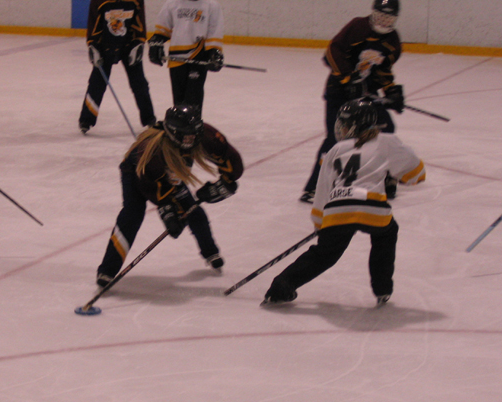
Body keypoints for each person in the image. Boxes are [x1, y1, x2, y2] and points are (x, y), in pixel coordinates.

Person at [264, 98, 425, 306]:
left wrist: (320, 224)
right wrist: (399, 176)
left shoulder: (335, 150)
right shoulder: (387, 141)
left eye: (345, 123)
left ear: (354, 126)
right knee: (386, 235)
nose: (341, 127)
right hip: (373, 208)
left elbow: (323, 190)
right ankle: (382, 289)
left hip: (337, 208)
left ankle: (281, 286)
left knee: (324, 254)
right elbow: (417, 174)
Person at [96, 105, 243, 287]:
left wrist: (227, 183)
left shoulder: (204, 136)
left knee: (194, 212)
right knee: (132, 214)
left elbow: (229, 157)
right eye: (186, 135)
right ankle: (107, 270)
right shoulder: (151, 149)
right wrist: (169, 213)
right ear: (173, 133)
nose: (191, 139)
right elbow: (151, 186)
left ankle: (210, 252)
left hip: (170, 172)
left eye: (194, 134)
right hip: (137, 172)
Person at [300, 0, 404, 204]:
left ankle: (386, 177)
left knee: (386, 129)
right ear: (373, 13)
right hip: (339, 92)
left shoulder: (393, 41)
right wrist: (347, 79)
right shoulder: (358, 27)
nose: (383, 21)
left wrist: (391, 91)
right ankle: (315, 187)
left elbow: (383, 69)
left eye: (388, 18)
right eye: (380, 15)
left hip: (366, 93)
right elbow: (331, 53)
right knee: (335, 138)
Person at [78, 0, 156, 133]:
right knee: (96, 84)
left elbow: (140, 23)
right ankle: (86, 119)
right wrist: (93, 45)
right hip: (105, 48)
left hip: (129, 46)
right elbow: (93, 24)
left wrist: (139, 44)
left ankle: (149, 118)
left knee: (139, 83)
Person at [147, 0, 225, 111]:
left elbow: (214, 30)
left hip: (198, 56)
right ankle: (179, 126)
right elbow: (163, 28)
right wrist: (156, 43)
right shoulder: (172, 3)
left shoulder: (211, 5)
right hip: (176, 57)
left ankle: (192, 125)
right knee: (178, 98)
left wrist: (214, 51)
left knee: (193, 97)